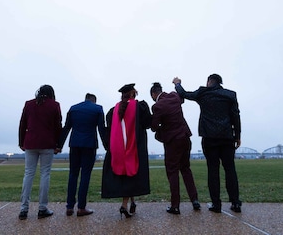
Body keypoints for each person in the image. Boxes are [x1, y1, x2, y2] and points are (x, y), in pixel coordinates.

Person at [173, 74, 242, 213]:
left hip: (209, 137)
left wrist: (177, 84)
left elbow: (185, 94)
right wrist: (237, 136)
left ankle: (216, 204)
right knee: (230, 170)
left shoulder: (203, 93)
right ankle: (235, 203)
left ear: (209, 81)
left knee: (213, 170)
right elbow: (235, 115)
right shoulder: (230, 95)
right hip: (227, 136)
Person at [101, 83, 152, 219]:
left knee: (127, 175)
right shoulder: (140, 107)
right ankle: (124, 205)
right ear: (133, 94)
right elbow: (148, 123)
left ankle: (132, 202)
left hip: (118, 150)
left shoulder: (113, 111)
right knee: (131, 174)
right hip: (136, 147)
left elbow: (109, 130)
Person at [150, 82, 201, 215]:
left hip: (172, 142)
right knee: (186, 169)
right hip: (185, 137)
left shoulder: (157, 106)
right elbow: (182, 98)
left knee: (172, 172)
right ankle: (194, 200)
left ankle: (175, 205)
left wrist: (161, 129)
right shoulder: (174, 96)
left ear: (154, 94)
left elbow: (154, 126)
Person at [58, 93, 106, 217]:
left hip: (74, 144)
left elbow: (67, 127)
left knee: (73, 174)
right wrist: (107, 146)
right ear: (94, 100)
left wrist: (59, 145)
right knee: (85, 175)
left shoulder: (73, 108)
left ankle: (69, 206)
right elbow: (101, 129)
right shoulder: (98, 109)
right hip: (89, 145)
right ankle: (81, 207)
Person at [18, 84, 62, 220]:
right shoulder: (54, 105)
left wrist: (21, 142)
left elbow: (22, 124)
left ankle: (23, 208)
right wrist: (58, 145)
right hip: (47, 144)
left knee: (28, 174)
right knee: (45, 174)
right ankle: (42, 208)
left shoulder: (29, 104)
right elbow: (58, 126)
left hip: (30, 142)